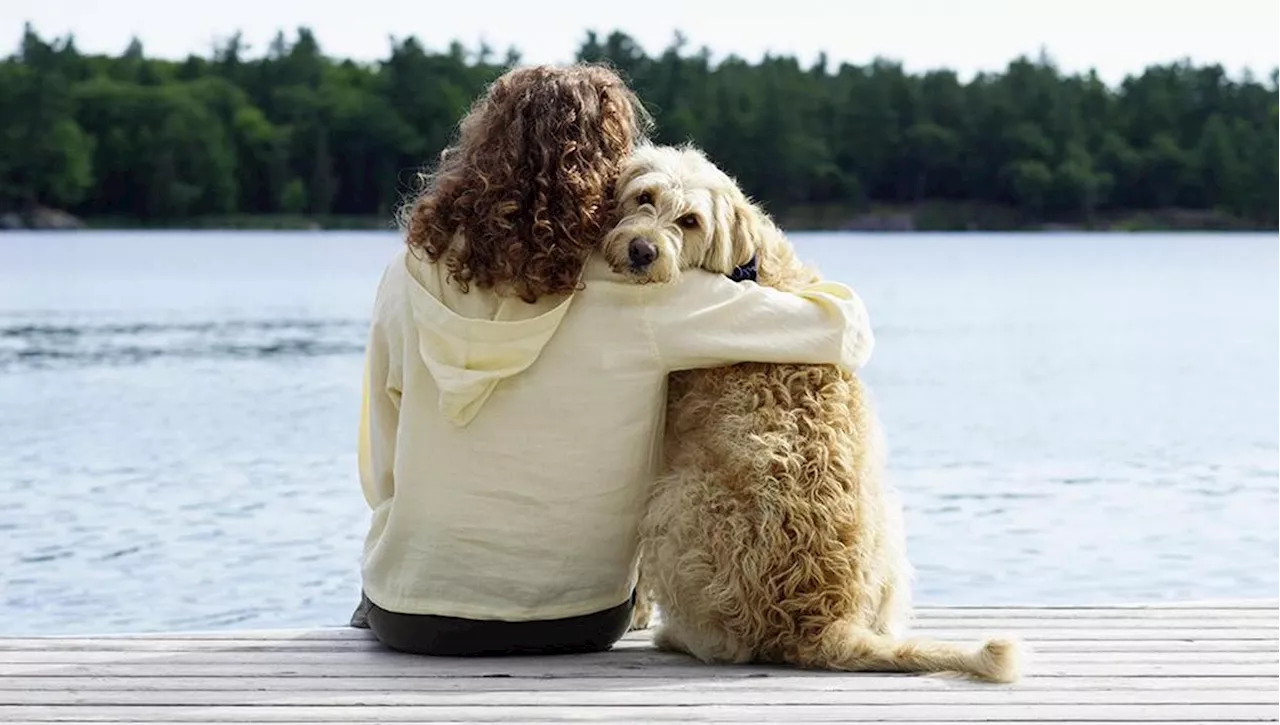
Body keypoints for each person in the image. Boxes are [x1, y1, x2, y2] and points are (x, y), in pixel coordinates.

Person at [351, 63, 877, 656]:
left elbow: (380, 462)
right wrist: (757, 259)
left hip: (410, 615)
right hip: (576, 619)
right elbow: (844, 331)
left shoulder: (407, 272)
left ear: (479, 151)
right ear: (606, 172)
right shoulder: (647, 294)